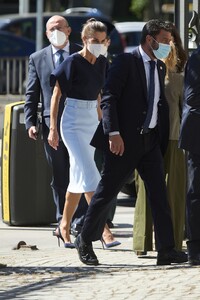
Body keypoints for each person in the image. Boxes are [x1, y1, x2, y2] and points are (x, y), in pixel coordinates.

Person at [74, 19, 188, 266]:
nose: (169, 45)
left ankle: (167, 250)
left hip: (149, 142)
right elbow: (109, 98)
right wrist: (113, 133)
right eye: (166, 41)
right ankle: (84, 238)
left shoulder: (158, 66)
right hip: (123, 142)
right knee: (106, 193)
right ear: (151, 40)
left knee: (159, 195)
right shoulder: (126, 61)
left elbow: (155, 102)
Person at [48, 18, 120, 248]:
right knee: (91, 175)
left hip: (92, 119)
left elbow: (100, 94)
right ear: (84, 40)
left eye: (102, 41)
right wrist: (52, 128)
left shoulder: (101, 62)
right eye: (94, 41)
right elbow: (56, 96)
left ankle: (64, 226)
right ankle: (103, 231)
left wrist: (103, 123)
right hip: (71, 122)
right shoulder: (71, 63)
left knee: (78, 178)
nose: (99, 44)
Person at [24, 15, 87, 228]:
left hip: (81, 123)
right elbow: (32, 93)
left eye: (59, 27)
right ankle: (63, 221)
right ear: (46, 34)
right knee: (60, 175)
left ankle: (82, 219)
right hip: (52, 127)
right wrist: (30, 122)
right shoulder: (37, 57)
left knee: (80, 171)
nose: (56, 31)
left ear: (69, 31)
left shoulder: (82, 53)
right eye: (51, 29)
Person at [133, 23, 188, 254]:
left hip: (175, 136)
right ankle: (141, 241)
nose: (167, 44)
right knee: (145, 189)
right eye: (163, 40)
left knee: (175, 193)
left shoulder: (183, 70)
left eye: (171, 39)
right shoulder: (145, 65)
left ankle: (173, 242)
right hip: (149, 136)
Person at [179, 44, 200, 265]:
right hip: (197, 134)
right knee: (197, 192)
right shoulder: (197, 58)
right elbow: (192, 98)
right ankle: (195, 248)